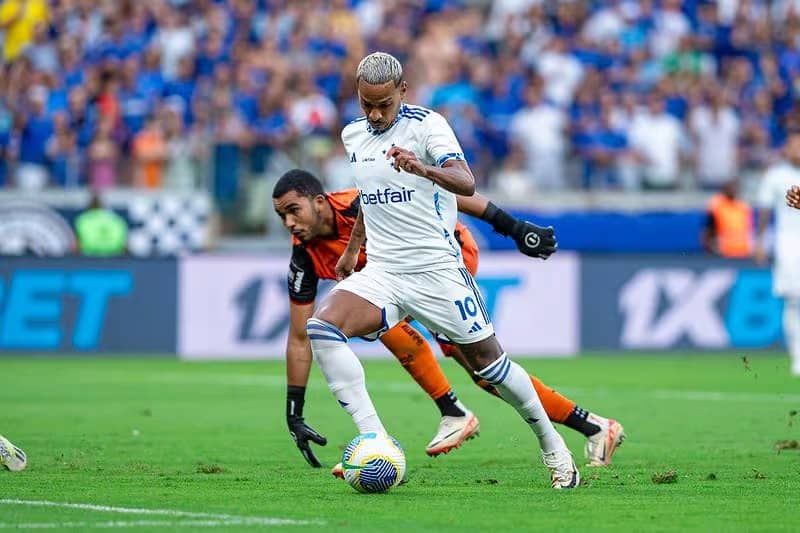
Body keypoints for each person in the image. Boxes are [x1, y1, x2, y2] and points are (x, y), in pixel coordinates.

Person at [307, 52, 580, 489]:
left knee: (491, 367)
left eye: (384, 104)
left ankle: (555, 449)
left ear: (402, 92)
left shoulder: (427, 125)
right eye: (366, 104)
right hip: (384, 271)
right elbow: (370, 194)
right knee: (322, 329)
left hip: (437, 272)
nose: (375, 114)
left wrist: (422, 167)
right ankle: (375, 438)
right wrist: (353, 248)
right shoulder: (353, 134)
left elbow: (465, 181)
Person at [273, 169, 625, 468]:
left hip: (448, 256)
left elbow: (444, 192)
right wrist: (294, 411)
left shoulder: (358, 202)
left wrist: (513, 227)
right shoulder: (303, 256)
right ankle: (594, 427)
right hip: (401, 282)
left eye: (293, 210)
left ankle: (452, 412)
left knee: (435, 346)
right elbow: (300, 337)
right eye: (282, 216)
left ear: (319, 201)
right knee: (479, 368)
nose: (289, 223)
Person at [756, 131, 800, 376]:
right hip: (789, 244)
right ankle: (797, 356)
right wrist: (761, 242)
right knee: (793, 299)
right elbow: (764, 211)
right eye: (795, 145)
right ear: (786, 148)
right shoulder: (776, 176)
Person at [701, 179, 753, 258]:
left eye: (735, 187)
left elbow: (748, 230)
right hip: (723, 253)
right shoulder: (716, 206)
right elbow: (708, 230)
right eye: (731, 187)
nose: (734, 190)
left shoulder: (743, 206)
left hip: (742, 252)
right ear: (725, 189)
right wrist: (712, 249)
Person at [74, 192, 128, 257]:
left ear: (89, 206)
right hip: (115, 258)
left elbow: (77, 246)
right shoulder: (117, 220)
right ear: (103, 205)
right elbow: (124, 246)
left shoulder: (83, 219)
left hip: (89, 258)